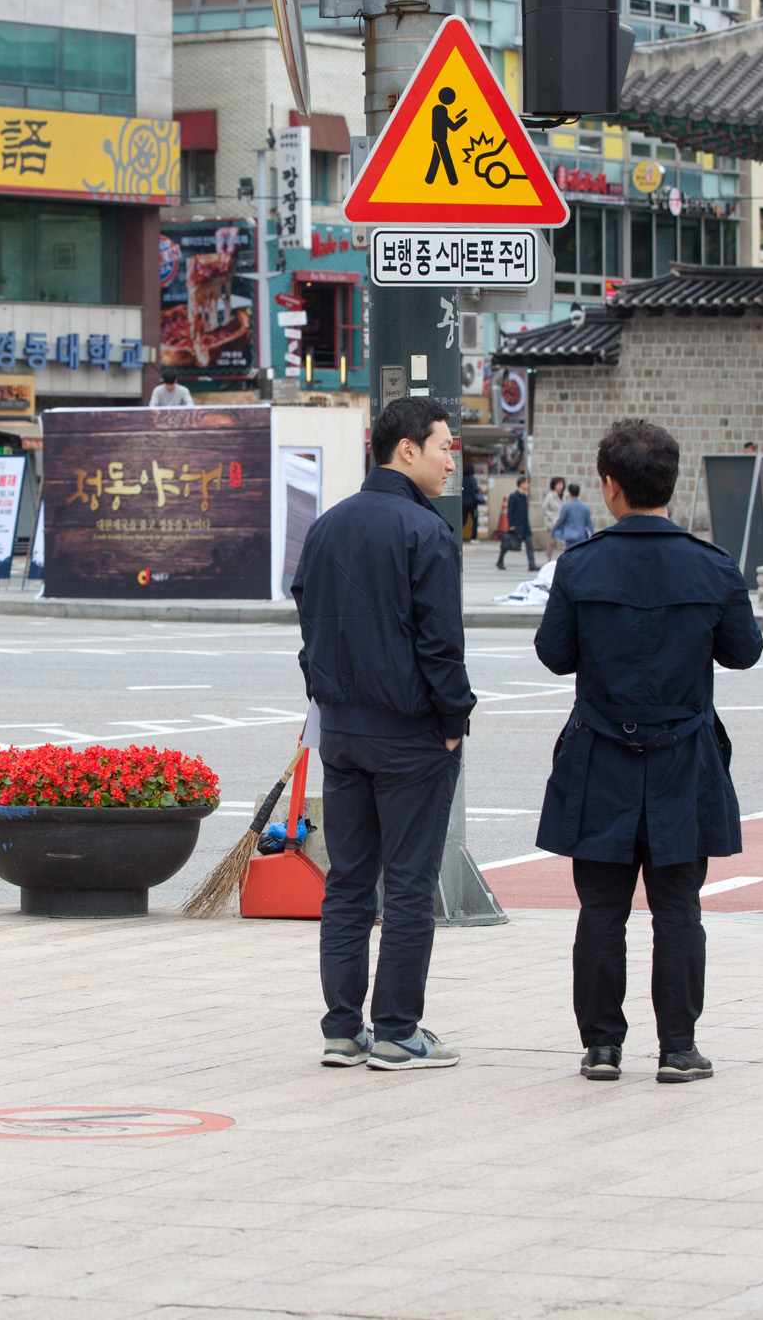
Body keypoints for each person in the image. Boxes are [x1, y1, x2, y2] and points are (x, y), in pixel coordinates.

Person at [534, 419, 763, 1085]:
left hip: (601, 754)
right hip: (682, 756)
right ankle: (678, 1047)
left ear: (610, 487)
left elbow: (554, 656)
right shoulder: (712, 566)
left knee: (601, 908)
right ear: (671, 481)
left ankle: (603, 1047)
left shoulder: (580, 565)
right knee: (678, 907)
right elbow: (744, 652)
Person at [291, 397, 475, 1072]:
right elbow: (440, 645)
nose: (451, 458)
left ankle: (342, 1030)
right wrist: (454, 720)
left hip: (340, 731)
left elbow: (310, 625)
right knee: (406, 884)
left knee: (346, 882)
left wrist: (324, 695)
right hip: (409, 736)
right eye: (443, 446)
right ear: (406, 449)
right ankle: (397, 1029)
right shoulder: (425, 532)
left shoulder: (328, 526)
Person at [496, 475, 536, 571]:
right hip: (517, 525)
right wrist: (511, 524)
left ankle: (532, 564)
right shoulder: (514, 496)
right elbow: (510, 511)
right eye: (526, 483)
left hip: (525, 525)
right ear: (521, 484)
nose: (528, 485)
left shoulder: (524, 496)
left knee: (529, 545)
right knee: (508, 544)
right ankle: (500, 560)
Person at [554, 482, 594, 548]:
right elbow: (589, 524)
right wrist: (592, 536)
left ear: (569, 493)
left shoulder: (566, 507)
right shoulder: (585, 507)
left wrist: (553, 532)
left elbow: (560, 521)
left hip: (569, 537)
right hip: (581, 536)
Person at [541, 477, 566, 562]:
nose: (560, 486)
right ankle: (549, 559)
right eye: (558, 484)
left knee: (564, 543)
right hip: (553, 522)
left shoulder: (565, 495)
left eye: (561, 484)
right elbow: (544, 508)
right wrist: (551, 516)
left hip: (563, 522)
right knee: (551, 542)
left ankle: (564, 559)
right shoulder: (550, 496)